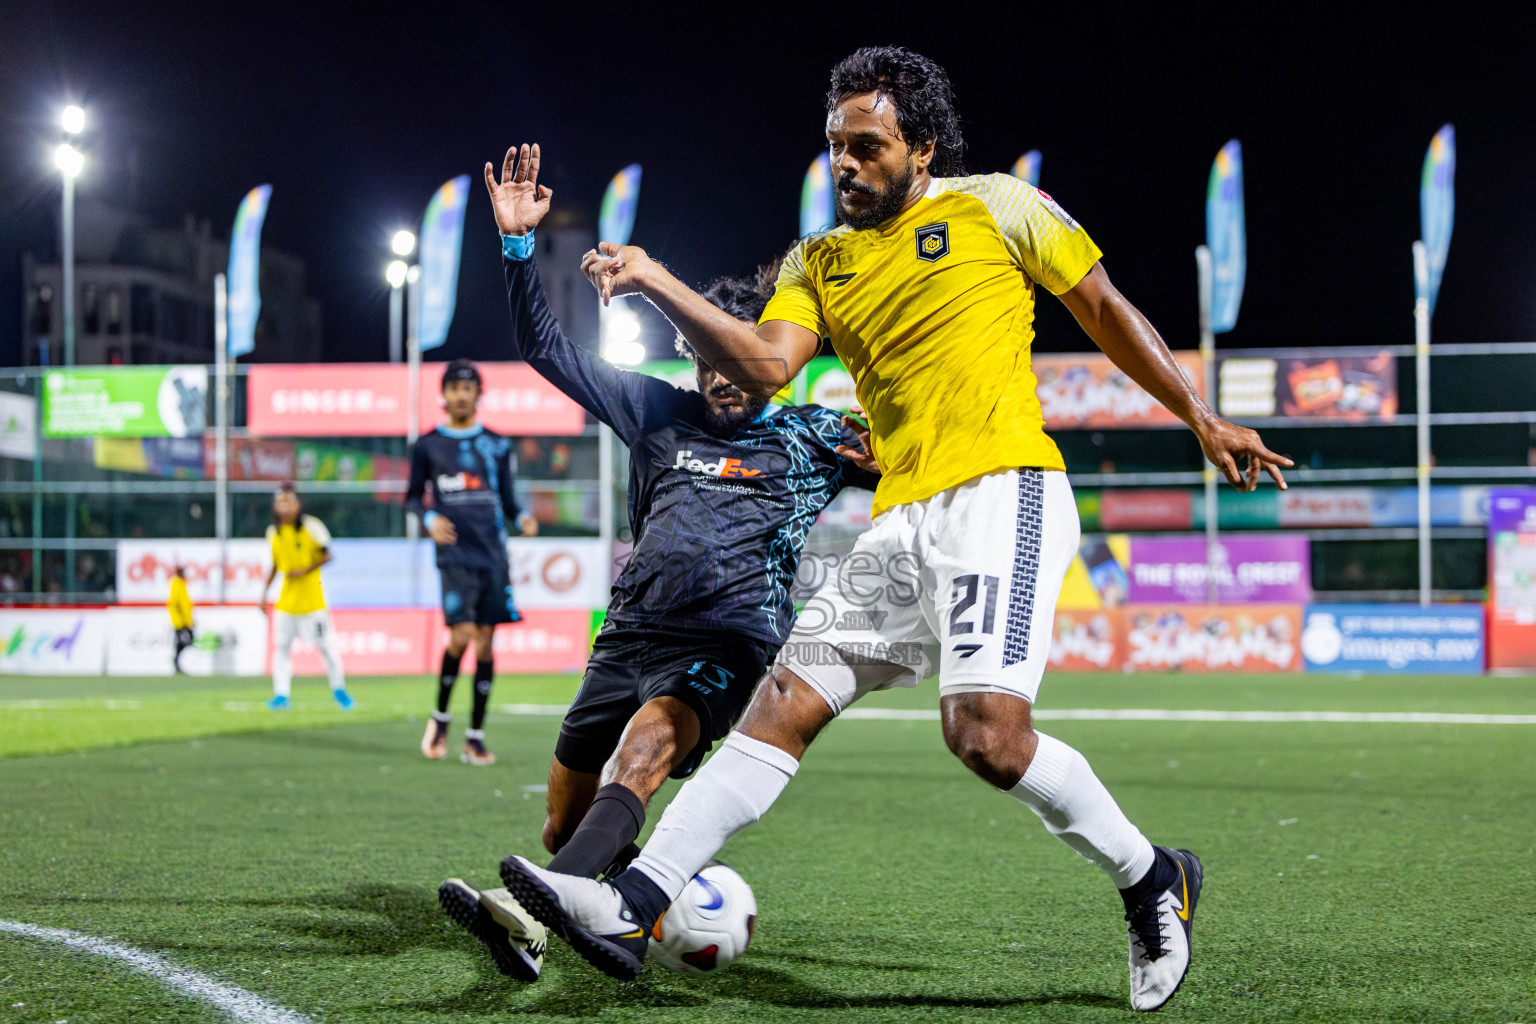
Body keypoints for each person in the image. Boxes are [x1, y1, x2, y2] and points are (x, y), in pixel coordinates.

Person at [499, 48, 1293, 1011]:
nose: (845, 164)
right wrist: (657, 280)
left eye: (866, 146)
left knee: (988, 739)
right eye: (835, 146)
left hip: (1004, 493)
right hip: (900, 521)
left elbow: (1105, 309)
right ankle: (632, 899)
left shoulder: (997, 205)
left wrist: (1200, 415)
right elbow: (762, 364)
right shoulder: (817, 260)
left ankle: (1152, 878)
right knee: (781, 703)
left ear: (920, 149)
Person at [437, 143, 882, 982]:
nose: (718, 377)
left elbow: (919, 451)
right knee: (562, 826)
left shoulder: (814, 436)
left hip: (725, 642)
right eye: (704, 358)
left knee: (644, 757)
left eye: (735, 360)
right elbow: (545, 350)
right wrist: (518, 246)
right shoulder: (654, 409)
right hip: (629, 634)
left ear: (768, 362)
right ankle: (573, 912)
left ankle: (553, 905)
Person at [407, 358, 538, 767]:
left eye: (468, 388)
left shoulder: (497, 445)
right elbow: (412, 497)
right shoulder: (427, 445)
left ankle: (475, 737)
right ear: (443, 395)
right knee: (460, 635)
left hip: (493, 554)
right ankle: (441, 717)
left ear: (479, 394)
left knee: (484, 643)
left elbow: (510, 499)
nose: (461, 394)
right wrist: (429, 518)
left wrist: (523, 518)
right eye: (454, 387)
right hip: (454, 555)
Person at [259, 484, 353, 711]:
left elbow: (328, 555)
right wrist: (264, 594)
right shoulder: (274, 532)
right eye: (281, 501)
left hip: (313, 603)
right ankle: (281, 695)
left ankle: (339, 690)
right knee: (281, 649)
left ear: (298, 503)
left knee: (327, 648)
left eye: (290, 501)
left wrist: (304, 570)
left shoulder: (312, 527)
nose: (286, 506)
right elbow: (274, 564)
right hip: (286, 603)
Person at [167, 565, 194, 674]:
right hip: (179, 621)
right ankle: (176, 662)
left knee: (188, 640)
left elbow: (185, 603)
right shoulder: (176, 583)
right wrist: (180, 618)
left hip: (185, 620)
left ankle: (177, 660)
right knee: (182, 641)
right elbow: (175, 602)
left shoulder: (182, 583)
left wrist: (189, 619)